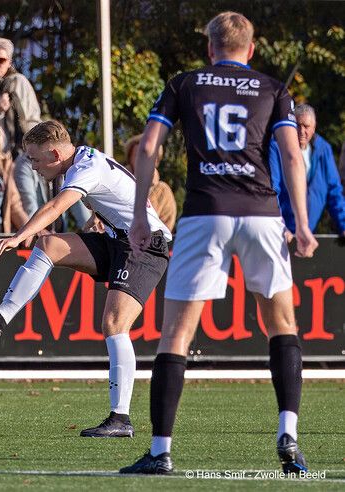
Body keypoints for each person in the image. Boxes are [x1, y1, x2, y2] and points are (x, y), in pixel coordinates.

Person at [124, 12, 318, 475]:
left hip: (205, 213)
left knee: (176, 334)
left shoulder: (184, 84)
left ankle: (160, 450)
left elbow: (149, 147)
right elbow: (292, 154)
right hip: (261, 215)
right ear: (250, 50)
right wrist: (304, 224)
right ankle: (288, 433)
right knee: (281, 325)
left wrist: (137, 215)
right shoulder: (273, 88)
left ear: (209, 49)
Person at [0, 120, 172, 438]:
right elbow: (118, 194)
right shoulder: (82, 160)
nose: (32, 166)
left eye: (35, 159)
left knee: (114, 324)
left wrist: (19, 236)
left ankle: (121, 418)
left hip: (145, 244)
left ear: (55, 153)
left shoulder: (83, 169)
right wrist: (99, 219)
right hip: (118, 239)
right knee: (50, 245)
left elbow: (57, 207)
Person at [270, 104, 345, 237]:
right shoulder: (276, 148)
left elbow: (334, 191)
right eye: (297, 125)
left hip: (308, 233)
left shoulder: (323, 150)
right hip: (280, 233)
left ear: (314, 128)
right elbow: (272, 190)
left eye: (306, 126)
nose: (301, 131)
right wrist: (278, 226)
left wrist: (343, 225)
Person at [14, 153, 93, 232]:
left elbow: (75, 199)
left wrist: (90, 229)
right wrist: (38, 232)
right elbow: (29, 204)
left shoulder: (63, 163)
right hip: (35, 234)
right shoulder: (25, 164)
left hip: (59, 233)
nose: (34, 166)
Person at [123, 135, 176, 231]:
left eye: (147, 155)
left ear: (156, 160)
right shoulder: (118, 182)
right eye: (137, 155)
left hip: (149, 243)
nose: (142, 160)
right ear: (130, 158)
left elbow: (167, 226)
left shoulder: (163, 191)